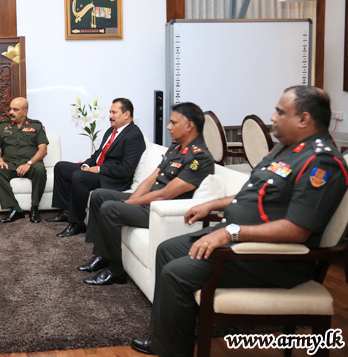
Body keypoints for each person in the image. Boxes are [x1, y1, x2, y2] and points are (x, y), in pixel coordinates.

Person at [130, 86, 348, 357]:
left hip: (271, 259)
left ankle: (172, 350)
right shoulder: (286, 150)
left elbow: (297, 230)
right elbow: (253, 195)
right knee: (167, 249)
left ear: (304, 119)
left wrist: (230, 233)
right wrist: (212, 204)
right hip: (239, 241)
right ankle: (167, 337)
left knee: (177, 273)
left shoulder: (321, 162)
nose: (273, 117)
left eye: (280, 112)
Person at [79, 102, 214, 286]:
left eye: (174, 123)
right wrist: (132, 199)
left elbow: (165, 194)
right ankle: (103, 255)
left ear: (189, 126)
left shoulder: (199, 157)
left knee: (110, 209)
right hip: (149, 201)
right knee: (98, 195)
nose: (168, 127)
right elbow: (151, 179)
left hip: (159, 210)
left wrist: (129, 204)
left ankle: (116, 271)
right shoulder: (175, 148)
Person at [49, 98, 146, 238]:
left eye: (114, 112)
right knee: (61, 167)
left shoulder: (134, 135)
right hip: (99, 171)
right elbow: (98, 154)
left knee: (79, 177)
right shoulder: (111, 131)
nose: (110, 116)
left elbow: (126, 169)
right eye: (110, 112)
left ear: (126, 114)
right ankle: (67, 211)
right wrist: (87, 165)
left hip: (113, 179)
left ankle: (77, 223)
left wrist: (99, 169)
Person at [0, 97, 49, 223]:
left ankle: (34, 208)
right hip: (10, 165)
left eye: (15, 110)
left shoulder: (36, 126)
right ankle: (16, 209)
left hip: (31, 165)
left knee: (40, 169)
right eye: (10, 109)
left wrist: (28, 164)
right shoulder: (3, 126)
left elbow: (43, 150)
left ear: (25, 112)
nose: (11, 112)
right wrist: (0, 161)